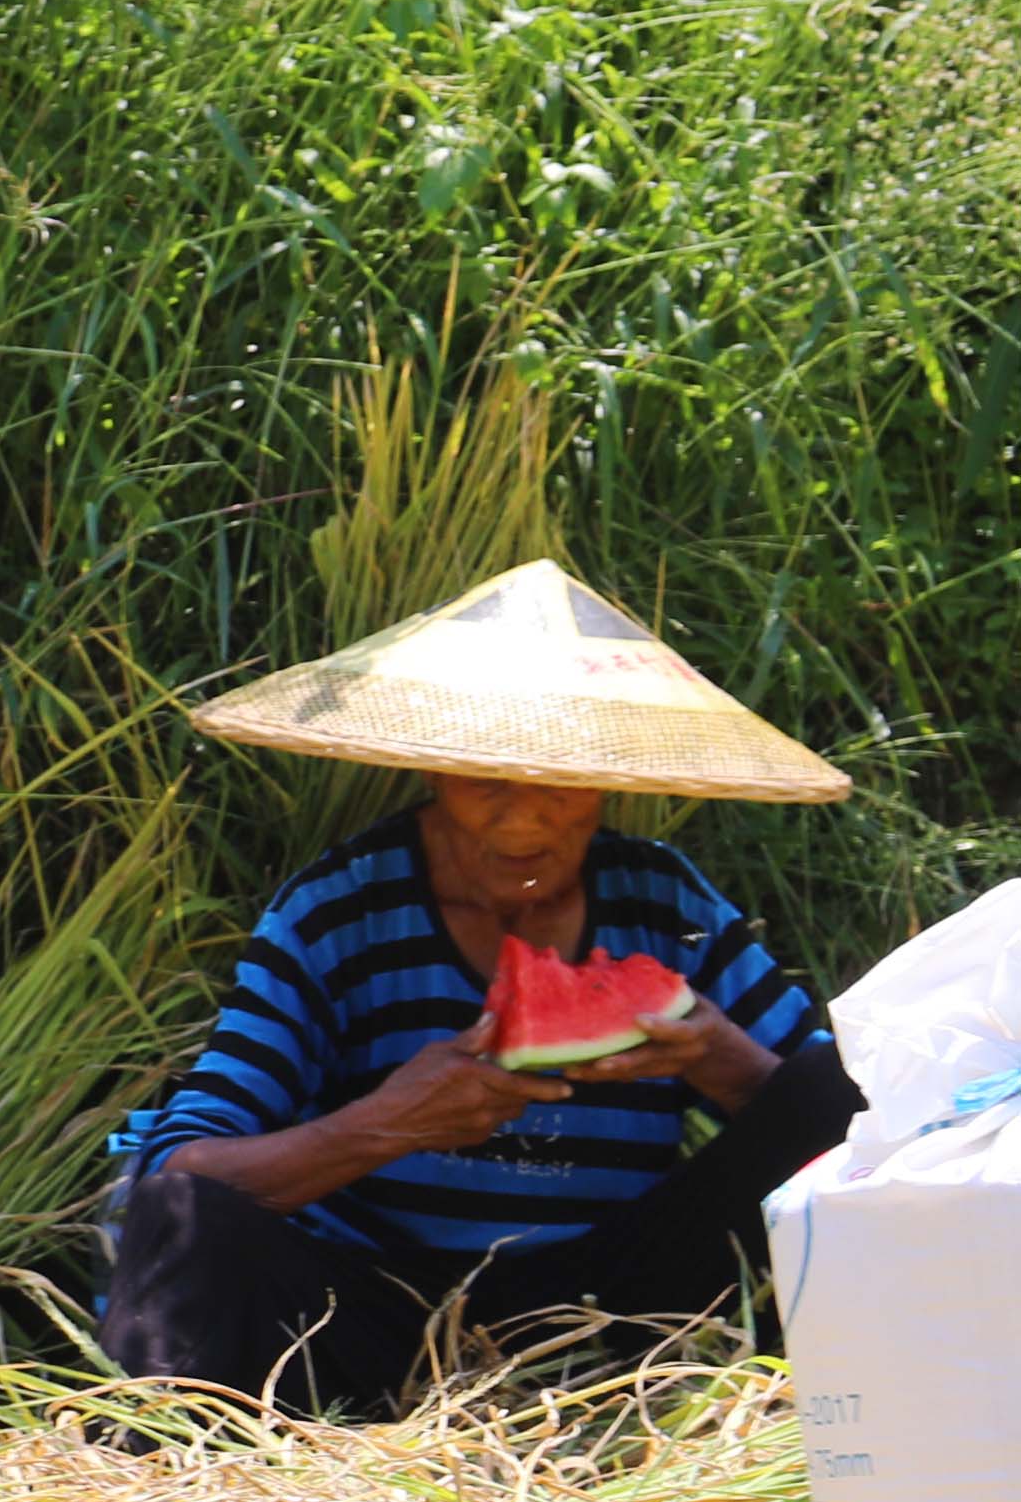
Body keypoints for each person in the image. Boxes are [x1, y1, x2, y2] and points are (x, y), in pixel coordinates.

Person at [105, 558, 857, 1413]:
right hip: (366, 1310)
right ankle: (169, 1460)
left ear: (608, 776)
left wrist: (719, 1060)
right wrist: (385, 1125)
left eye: (560, 782)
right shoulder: (336, 913)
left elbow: (840, 1118)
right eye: (485, 779)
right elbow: (184, 1168)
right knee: (182, 1212)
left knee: (831, 1099)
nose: (523, 818)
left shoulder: (667, 903)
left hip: (612, 1310)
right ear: (430, 766)